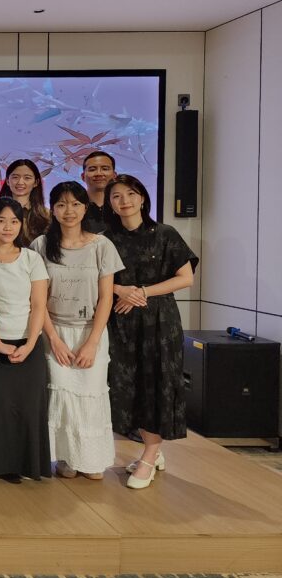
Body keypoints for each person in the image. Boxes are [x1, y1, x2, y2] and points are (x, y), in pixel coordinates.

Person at [104, 175, 197, 490]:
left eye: (131, 194)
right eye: (117, 196)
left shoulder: (165, 234)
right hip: (120, 322)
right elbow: (96, 278)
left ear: (143, 197)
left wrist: (142, 292)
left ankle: (149, 454)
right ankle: (150, 449)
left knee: (157, 383)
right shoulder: (105, 239)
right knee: (127, 387)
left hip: (159, 321)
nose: (125, 201)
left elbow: (185, 278)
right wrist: (121, 290)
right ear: (110, 203)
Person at [30, 181, 123, 481]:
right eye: (60, 204)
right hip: (53, 331)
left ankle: (91, 459)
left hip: (90, 332)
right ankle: (66, 458)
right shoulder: (40, 246)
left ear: (85, 208)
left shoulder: (101, 245)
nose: (68, 211)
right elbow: (37, 300)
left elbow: (106, 298)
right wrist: (54, 339)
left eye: (75, 204)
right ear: (52, 210)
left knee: (91, 395)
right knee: (62, 397)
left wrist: (92, 342)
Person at [0, 198, 51, 483]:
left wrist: (29, 344)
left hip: (29, 341)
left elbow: (39, 305)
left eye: (14, 221)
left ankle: (27, 465)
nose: (8, 227)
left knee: (29, 406)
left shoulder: (31, 259)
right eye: (1, 220)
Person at [0, 159, 50, 245]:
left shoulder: (46, 215)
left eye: (27, 178)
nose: (20, 182)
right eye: (15, 177)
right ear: (7, 181)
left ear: (36, 182)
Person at [80, 151, 117, 233]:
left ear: (114, 175)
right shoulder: (73, 208)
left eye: (105, 169)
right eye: (92, 169)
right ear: (83, 176)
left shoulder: (124, 206)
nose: (99, 173)